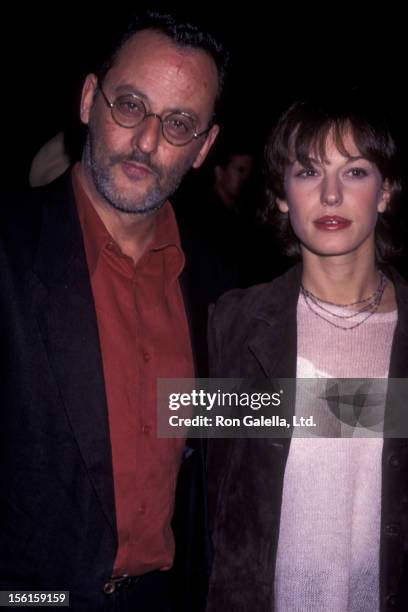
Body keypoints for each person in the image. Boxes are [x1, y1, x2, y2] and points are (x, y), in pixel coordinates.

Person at [0, 10, 228, 612]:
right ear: (88, 100)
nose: (148, 140)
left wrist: (378, 397)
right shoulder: (9, 252)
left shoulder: (218, 290)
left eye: (179, 123)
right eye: (130, 105)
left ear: (205, 146)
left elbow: (240, 420)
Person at [206, 94, 408, 611]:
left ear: (386, 193)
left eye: (356, 172)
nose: (332, 195)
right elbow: (205, 492)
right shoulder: (229, 324)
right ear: (280, 195)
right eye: (308, 172)